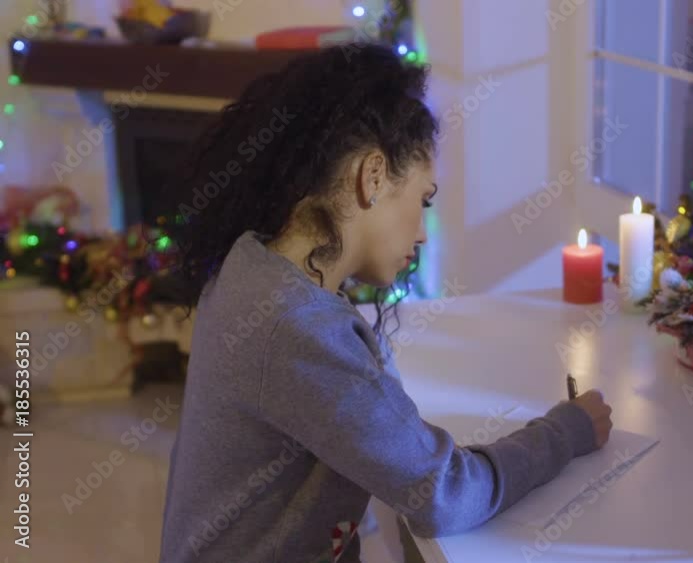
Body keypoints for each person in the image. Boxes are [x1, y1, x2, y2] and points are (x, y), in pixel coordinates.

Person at [159, 43, 613, 563]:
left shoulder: (250, 263)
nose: (422, 233)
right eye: (424, 199)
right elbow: (444, 495)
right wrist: (566, 431)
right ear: (372, 176)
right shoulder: (295, 327)